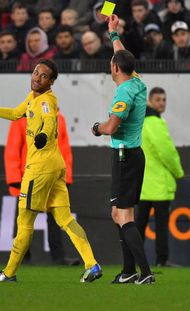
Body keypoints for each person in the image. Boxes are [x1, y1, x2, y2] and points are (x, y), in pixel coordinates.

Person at [0, 58, 102, 283]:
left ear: (52, 81)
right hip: (55, 166)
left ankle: (8, 273)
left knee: (25, 223)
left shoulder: (46, 101)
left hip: (39, 169)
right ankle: (92, 264)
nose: (37, 78)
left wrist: (42, 136)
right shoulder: (33, 97)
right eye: (36, 73)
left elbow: (48, 121)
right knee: (66, 219)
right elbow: (15, 113)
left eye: (43, 76)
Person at [91, 14, 154, 285]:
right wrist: (113, 33)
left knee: (122, 214)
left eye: (113, 63)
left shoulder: (123, 94)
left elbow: (113, 126)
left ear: (115, 69)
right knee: (120, 213)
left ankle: (145, 272)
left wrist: (96, 127)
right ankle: (129, 272)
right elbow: (122, 57)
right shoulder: (137, 82)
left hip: (124, 156)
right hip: (133, 155)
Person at [4, 112, 80, 266]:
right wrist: (15, 179)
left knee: (55, 218)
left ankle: (58, 257)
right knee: (24, 219)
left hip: (53, 176)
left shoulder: (59, 118)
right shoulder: (22, 118)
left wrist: (67, 176)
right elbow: (13, 149)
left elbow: (64, 150)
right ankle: (22, 257)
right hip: (30, 176)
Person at [136, 87, 184, 267]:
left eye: (164, 100)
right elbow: (167, 153)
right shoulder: (155, 123)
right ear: (150, 101)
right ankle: (161, 260)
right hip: (159, 185)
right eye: (158, 100)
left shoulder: (140, 122)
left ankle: (134, 260)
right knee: (162, 226)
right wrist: (178, 172)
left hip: (142, 184)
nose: (161, 103)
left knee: (139, 226)